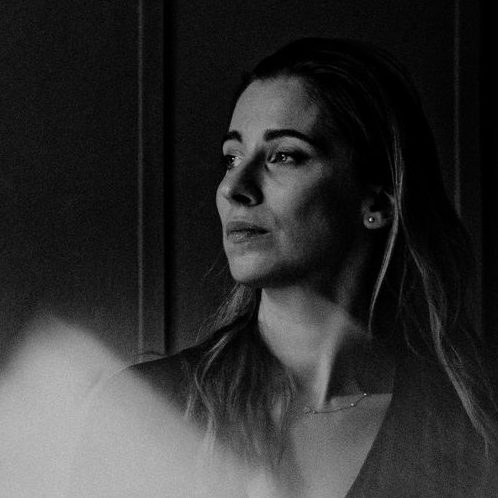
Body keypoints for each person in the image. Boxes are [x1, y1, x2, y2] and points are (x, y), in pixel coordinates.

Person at [133, 38, 498, 497]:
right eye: (231, 157)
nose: (234, 187)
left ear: (377, 203)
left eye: (284, 155)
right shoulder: (146, 409)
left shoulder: (471, 424)